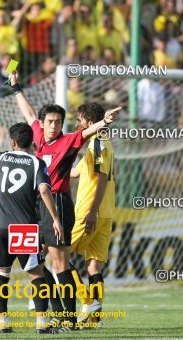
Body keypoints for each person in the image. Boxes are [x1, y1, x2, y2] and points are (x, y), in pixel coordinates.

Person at [9, 71, 120, 329]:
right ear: (43, 123)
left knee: (61, 264)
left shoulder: (68, 141)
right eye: (50, 121)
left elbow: (87, 133)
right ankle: (62, 309)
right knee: (32, 260)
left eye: (58, 121)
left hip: (58, 204)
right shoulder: (38, 138)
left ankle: (69, 317)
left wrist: (103, 122)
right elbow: (28, 114)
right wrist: (16, 88)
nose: (54, 125)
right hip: (35, 206)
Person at [0, 123, 63, 334]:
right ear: (31, 142)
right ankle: (42, 323)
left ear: (13, 142)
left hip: (2, 228)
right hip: (24, 228)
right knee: (36, 275)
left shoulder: (3, 158)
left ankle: (3, 322)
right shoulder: (37, 162)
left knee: (1, 274)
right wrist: (55, 218)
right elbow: (44, 190)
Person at [69, 103, 115, 325]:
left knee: (59, 254)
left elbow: (102, 177)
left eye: (79, 119)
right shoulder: (98, 143)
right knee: (93, 265)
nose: (77, 123)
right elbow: (76, 172)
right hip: (105, 212)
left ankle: (87, 302)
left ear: (89, 122)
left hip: (90, 211)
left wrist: (92, 211)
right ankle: (95, 319)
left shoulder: (98, 142)